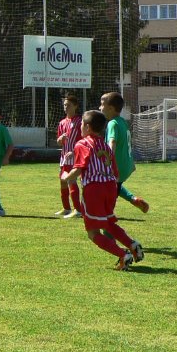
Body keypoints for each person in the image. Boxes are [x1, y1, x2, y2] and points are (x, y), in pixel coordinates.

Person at [62, 110, 144, 270]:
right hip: (110, 187)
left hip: (94, 189)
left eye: (81, 125)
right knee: (108, 223)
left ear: (87, 126)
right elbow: (115, 171)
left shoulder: (82, 143)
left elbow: (79, 168)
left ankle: (123, 255)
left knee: (93, 233)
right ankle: (133, 245)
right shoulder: (104, 145)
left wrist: (66, 177)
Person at [99, 91, 150, 213]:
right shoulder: (123, 122)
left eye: (102, 105)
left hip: (117, 166)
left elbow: (112, 143)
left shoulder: (112, 123)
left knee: (104, 190)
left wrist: (107, 160)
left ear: (110, 108)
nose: (100, 107)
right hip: (126, 165)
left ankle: (107, 217)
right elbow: (127, 144)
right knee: (116, 185)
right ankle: (133, 199)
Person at [54, 93, 83, 219]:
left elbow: (84, 139)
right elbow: (59, 142)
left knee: (71, 180)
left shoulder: (80, 121)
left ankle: (78, 210)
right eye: (65, 105)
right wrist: (60, 139)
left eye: (68, 105)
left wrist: (75, 150)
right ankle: (66, 208)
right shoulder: (62, 123)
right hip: (64, 157)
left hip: (75, 156)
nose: (66, 107)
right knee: (62, 181)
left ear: (75, 106)